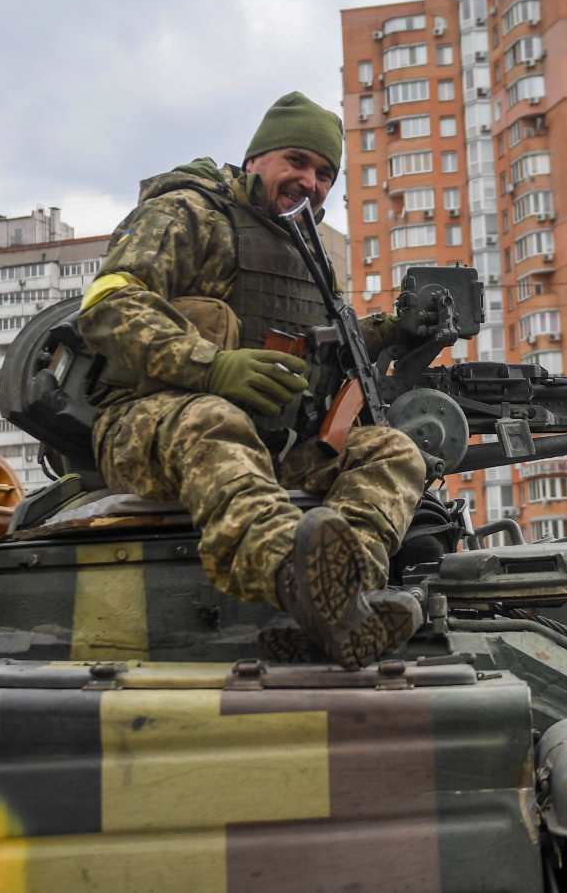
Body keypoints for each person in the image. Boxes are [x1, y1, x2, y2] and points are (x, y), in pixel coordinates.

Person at [77, 92, 427, 669]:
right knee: (213, 418)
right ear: (255, 158)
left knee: (391, 450)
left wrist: (390, 330)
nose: (308, 182)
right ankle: (300, 582)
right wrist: (210, 366)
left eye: (324, 174)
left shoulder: (310, 252)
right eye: (295, 161)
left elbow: (322, 350)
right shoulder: (188, 214)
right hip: (149, 426)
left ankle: (348, 599)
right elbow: (110, 305)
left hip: (271, 443)